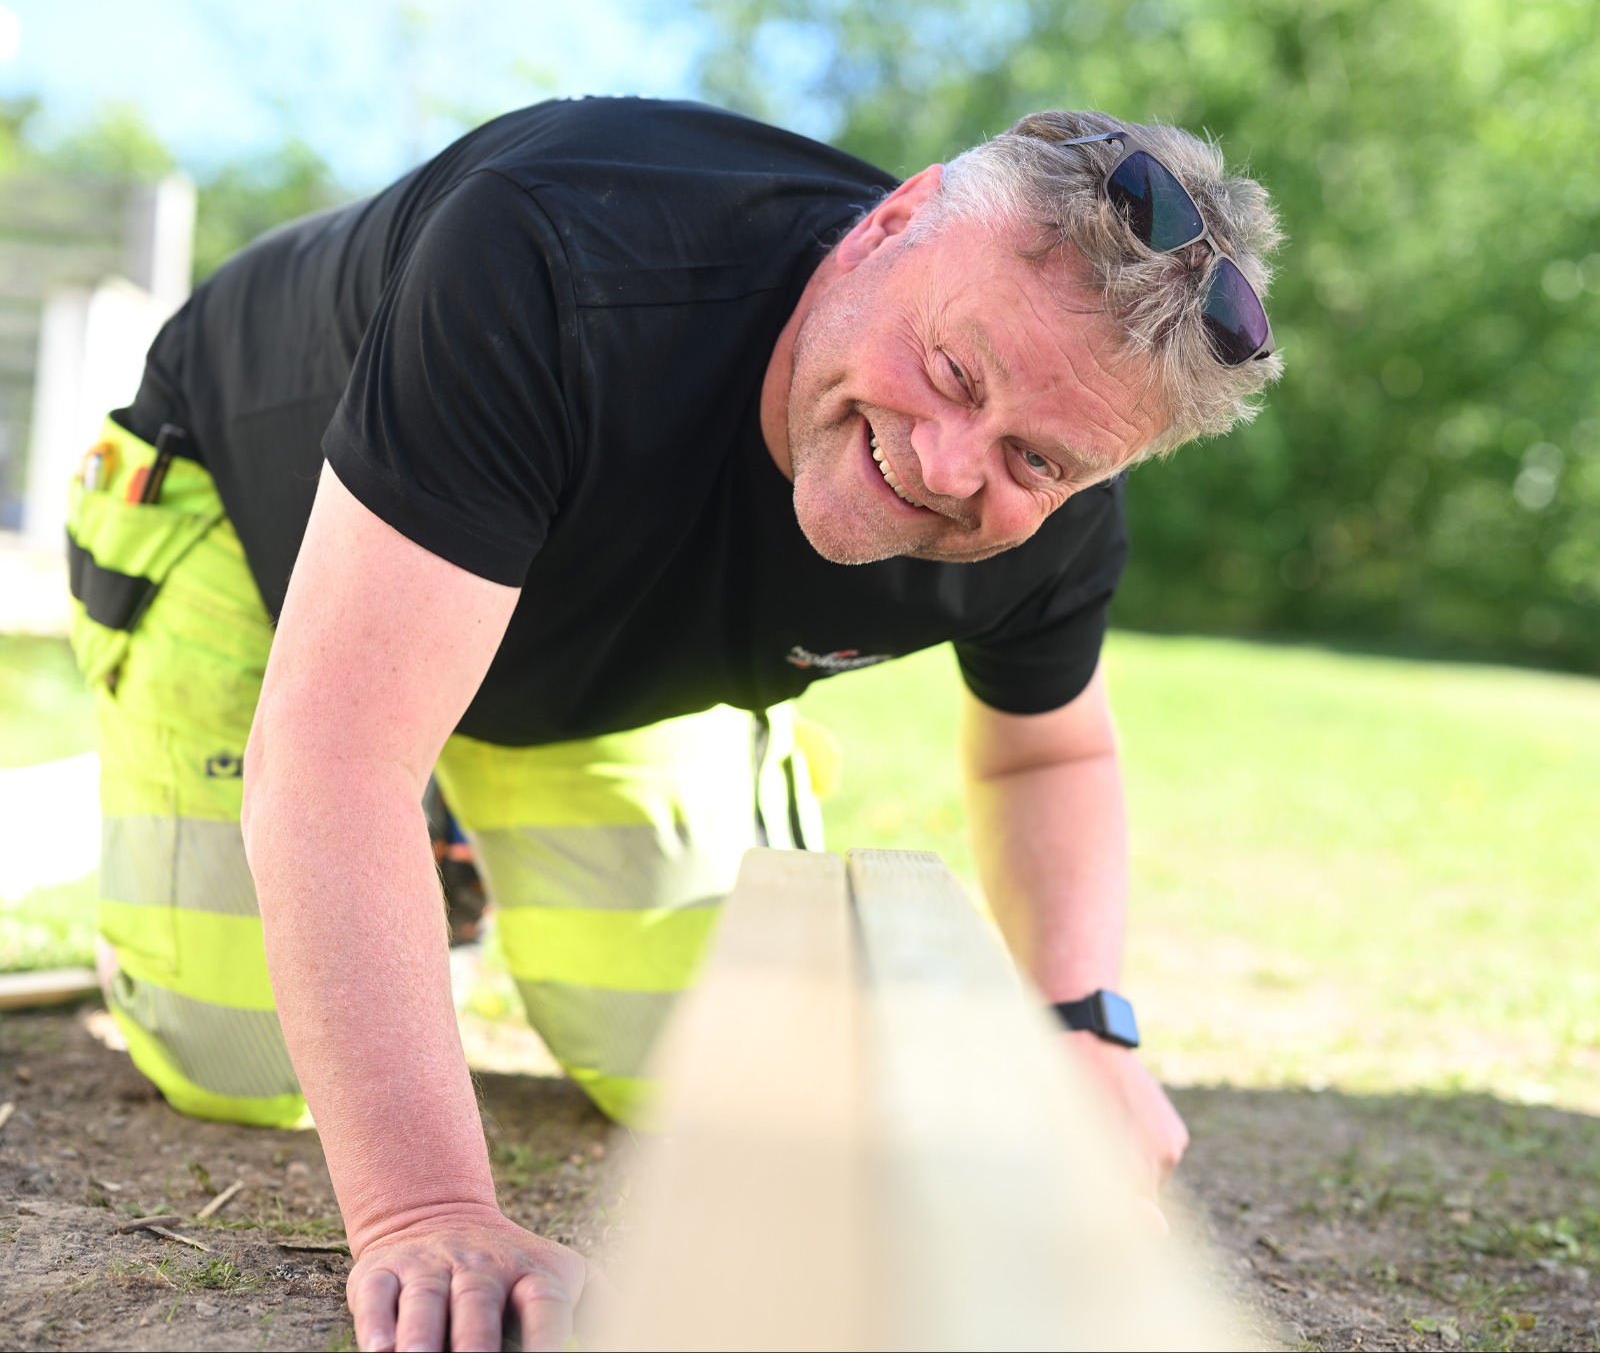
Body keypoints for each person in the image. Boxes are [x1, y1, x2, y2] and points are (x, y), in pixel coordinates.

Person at [65, 97, 1282, 1351]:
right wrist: (426, 1209)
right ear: (891, 223)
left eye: (1037, 460)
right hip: (257, 532)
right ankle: (381, 831)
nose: (949, 461)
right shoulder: (552, 255)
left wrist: (1080, 1026)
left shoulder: (1055, 487)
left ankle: (456, 848)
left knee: (697, 1069)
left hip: (589, 645)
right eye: (954, 372)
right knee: (239, 1058)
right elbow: (333, 763)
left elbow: (1050, 745)